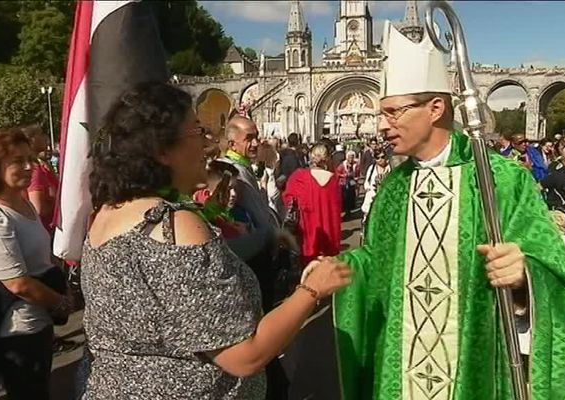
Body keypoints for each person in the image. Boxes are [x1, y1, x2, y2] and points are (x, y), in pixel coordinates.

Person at [332, 21, 565, 399]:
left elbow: (561, 278)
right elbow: (378, 265)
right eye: (380, 114)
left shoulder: (501, 180)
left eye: (393, 112)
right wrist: (342, 268)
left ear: (436, 108)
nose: (381, 126)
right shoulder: (392, 187)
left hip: (475, 370)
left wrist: (524, 276)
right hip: (399, 374)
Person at [80, 82, 351, 400]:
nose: (210, 144)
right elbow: (244, 355)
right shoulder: (174, 227)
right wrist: (312, 290)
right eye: (198, 132)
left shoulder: (106, 213)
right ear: (163, 151)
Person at [0, 128, 71, 400]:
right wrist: (59, 303)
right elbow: (17, 282)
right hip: (18, 329)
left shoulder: (22, 204)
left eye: (29, 159)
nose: (28, 167)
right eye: (17, 161)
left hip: (38, 319)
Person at [282, 144, 342, 266]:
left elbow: (287, 200)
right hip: (329, 236)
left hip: (308, 235)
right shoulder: (334, 180)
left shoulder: (299, 176)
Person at [21, 125, 59, 235]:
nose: (45, 137)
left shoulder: (41, 166)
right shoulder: (34, 170)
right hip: (47, 231)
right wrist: (58, 203)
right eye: (41, 134)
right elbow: (39, 208)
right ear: (32, 140)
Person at [361, 148, 391, 222]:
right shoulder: (372, 168)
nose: (380, 159)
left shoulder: (391, 167)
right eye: (377, 158)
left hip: (387, 197)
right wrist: (368, 188)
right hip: (372, 197)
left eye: (382, 157)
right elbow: (367, 181)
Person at [335, 150, 360, 215]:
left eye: (352, 157)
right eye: (349, 157)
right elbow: (337, 173)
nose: (351, 159)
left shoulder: (356, 165)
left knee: (351, 197)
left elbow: (357, 173)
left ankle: (349, 210)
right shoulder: (343, 165)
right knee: (344, 197)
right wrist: (343, 175)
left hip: (352, 182)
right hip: (343, 183)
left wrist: (356, 178)